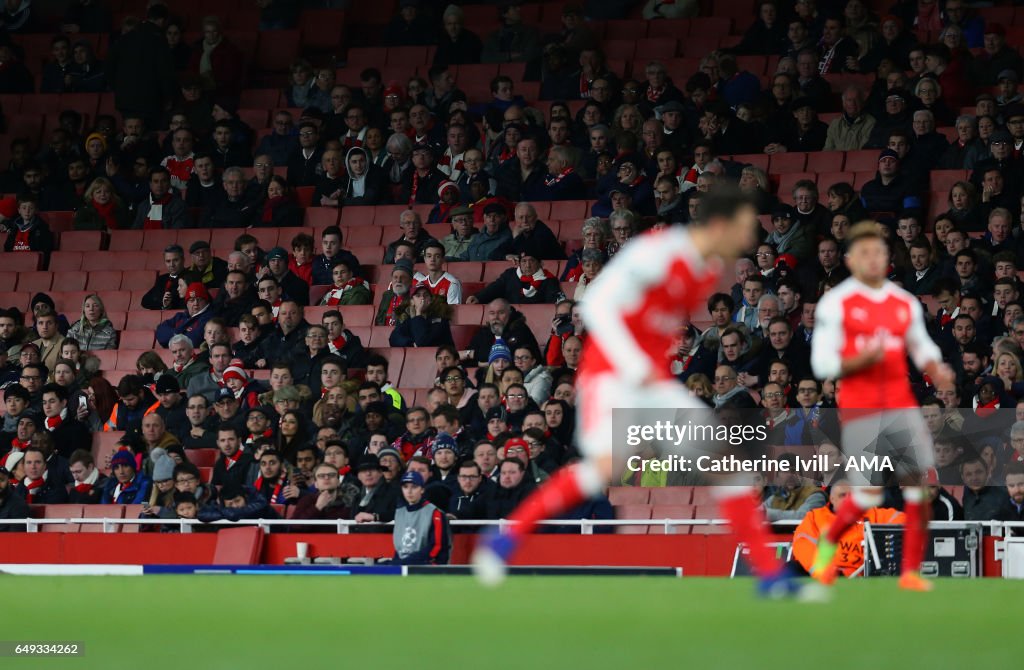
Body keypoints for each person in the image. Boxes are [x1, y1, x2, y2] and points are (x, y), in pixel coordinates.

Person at [472, 186, 802, 595]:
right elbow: (598, 307)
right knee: (602, 470)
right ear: (720, 225)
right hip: (611, 376)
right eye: (742, 229)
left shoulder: (708, 267)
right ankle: (505, 540)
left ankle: (772, 576)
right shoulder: (657, 253)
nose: (747, 239)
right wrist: (635, 364)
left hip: (652, 383)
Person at [809, 221, 954, 591]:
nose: (873, 259)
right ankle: (829, 541)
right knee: (867, 495)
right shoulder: (836, 303)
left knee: (917, 488)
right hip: (861, 407)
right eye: (864, 253)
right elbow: (823, 365)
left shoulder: (903, 301)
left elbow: (921, 344)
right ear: (849, 259)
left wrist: (936, 366)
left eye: (879, 253)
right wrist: (858, 362)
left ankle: (909, 574)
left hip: (900, 403)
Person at [391, 470, 451, 565]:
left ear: (422, 489)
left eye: (414, 487)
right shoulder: (399, 513)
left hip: (428, 565)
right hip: (404, 563)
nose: (409, 491)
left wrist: (405, 562)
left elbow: (436, 547)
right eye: (405, 487)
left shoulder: (435, 513)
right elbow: (399, 548)